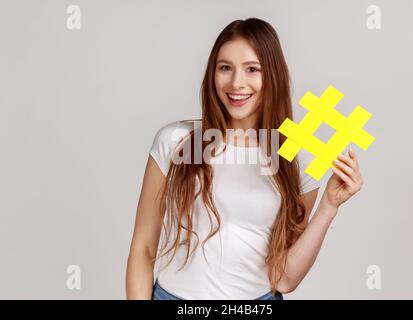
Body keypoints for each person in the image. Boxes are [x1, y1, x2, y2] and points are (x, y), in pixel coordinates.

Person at [126, 18, 364, 300]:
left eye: (252, 69)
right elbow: (143, 248)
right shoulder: (176, 141)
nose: (237, 83)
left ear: (272, 76)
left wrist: (329, 205)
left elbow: (284, 279)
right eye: (225, 68)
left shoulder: (295, 159)